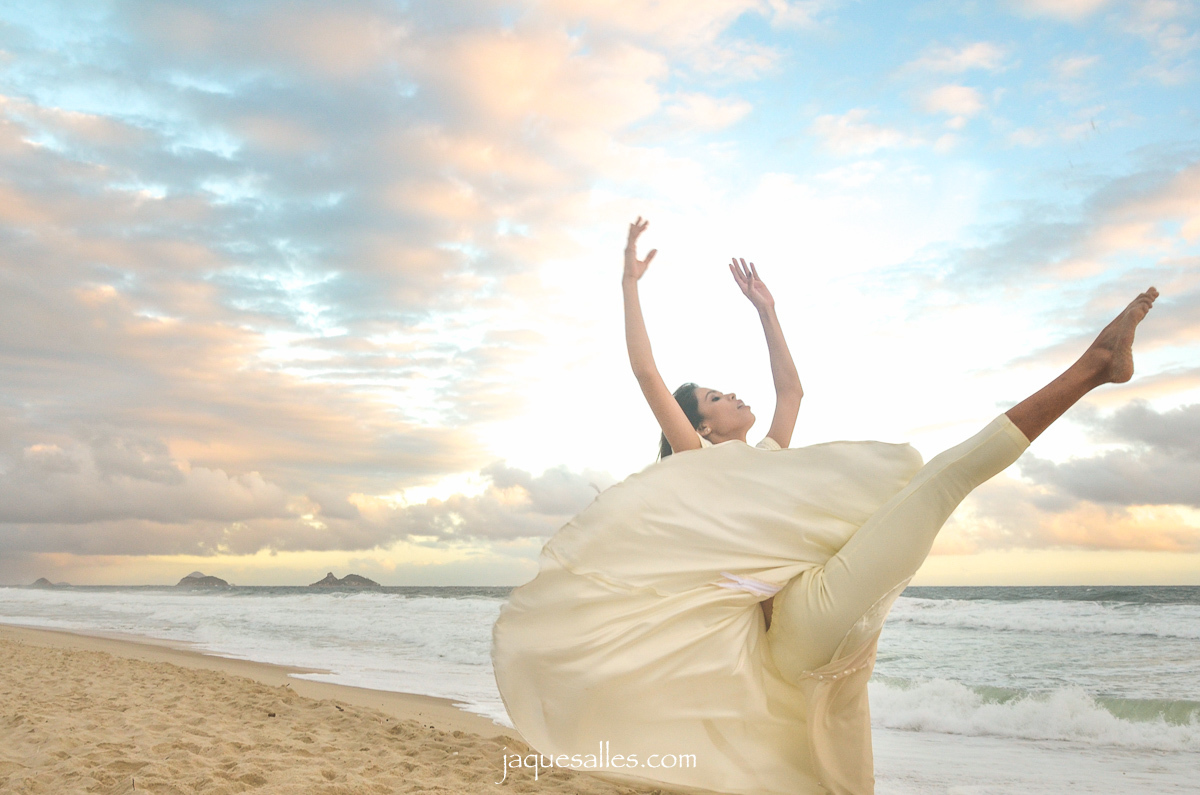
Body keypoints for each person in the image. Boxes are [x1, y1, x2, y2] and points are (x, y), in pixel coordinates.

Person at [491, 217, 1158, 795]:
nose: (732, 395)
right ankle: (1096, 365)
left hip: (827, 604)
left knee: (841, 764)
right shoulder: (698, 464)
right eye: (716, 397)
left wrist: (766, 310)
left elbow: (792, 391)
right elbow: (646, 372)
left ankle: (1099, 365)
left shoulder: (769, 457)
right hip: (797, 628)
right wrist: (629, 284)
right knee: (942, 481)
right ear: (703, 427)